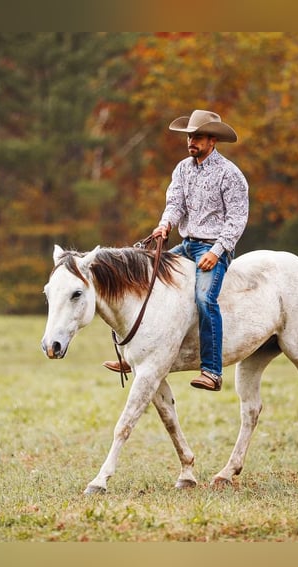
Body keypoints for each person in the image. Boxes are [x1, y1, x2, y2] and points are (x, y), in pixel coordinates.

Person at [104, 109, 249, 391]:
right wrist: (164, 225)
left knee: (205, 298)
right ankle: (132, 355)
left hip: (212, 248)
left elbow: (237, 218)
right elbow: (175, 204)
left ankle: (212, 371)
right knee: (140, 280)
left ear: (212, 141)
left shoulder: (230, 175)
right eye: (189, 136)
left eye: (197, 137)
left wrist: (217, 252)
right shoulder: (183, 169)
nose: (190, 141)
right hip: (188, 243)